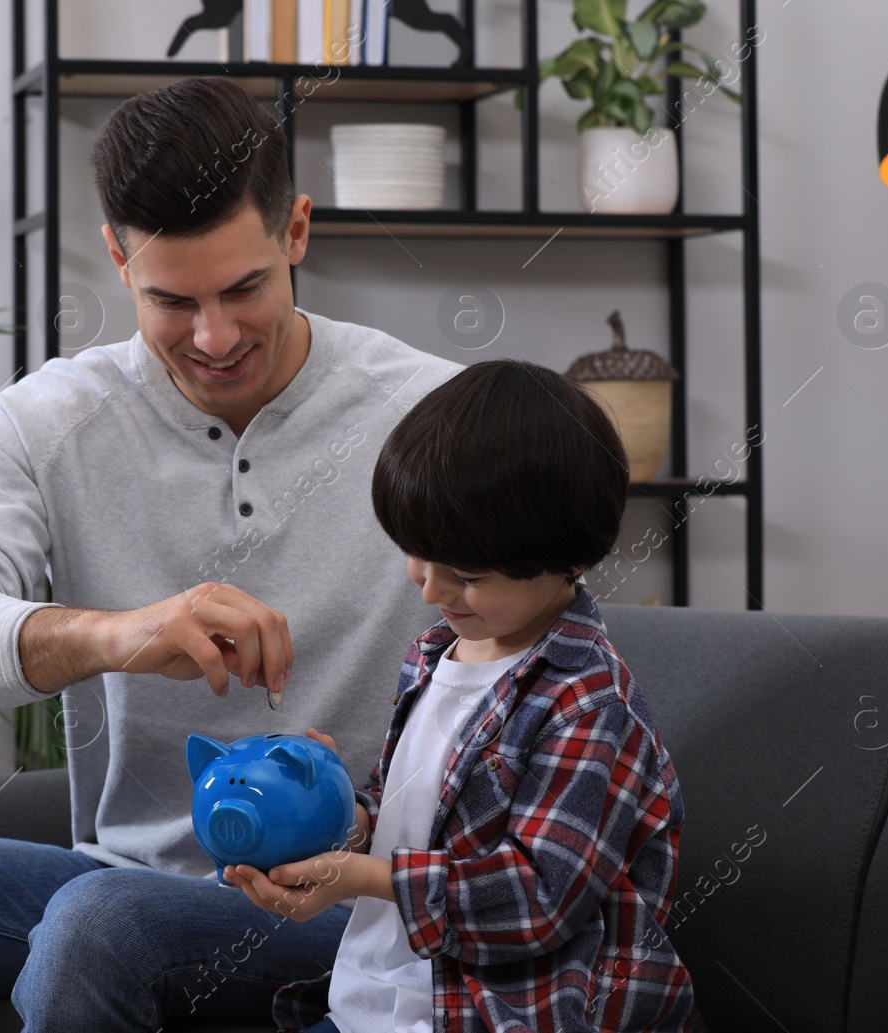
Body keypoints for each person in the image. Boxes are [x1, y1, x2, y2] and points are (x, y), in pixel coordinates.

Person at [0, 75, 465, 1031]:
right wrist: (113, 633)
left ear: (295, 231)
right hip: (122, 879)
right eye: (173, 299)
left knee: (99, 919)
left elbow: (546, 648)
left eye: (244, 287)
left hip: (351, 899)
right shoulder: (44, 424)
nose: (215, 336)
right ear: (118, 259)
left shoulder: (435, 414)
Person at [223, 360, 707, 1032]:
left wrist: (365, 878)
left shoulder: (589, 705)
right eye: (417, 556)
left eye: (467, 574)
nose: (430, 590)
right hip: (380, 997)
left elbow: (538, 897)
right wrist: (340, 814)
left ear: (570, 557)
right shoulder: (431, 657)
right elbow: (417, 822)